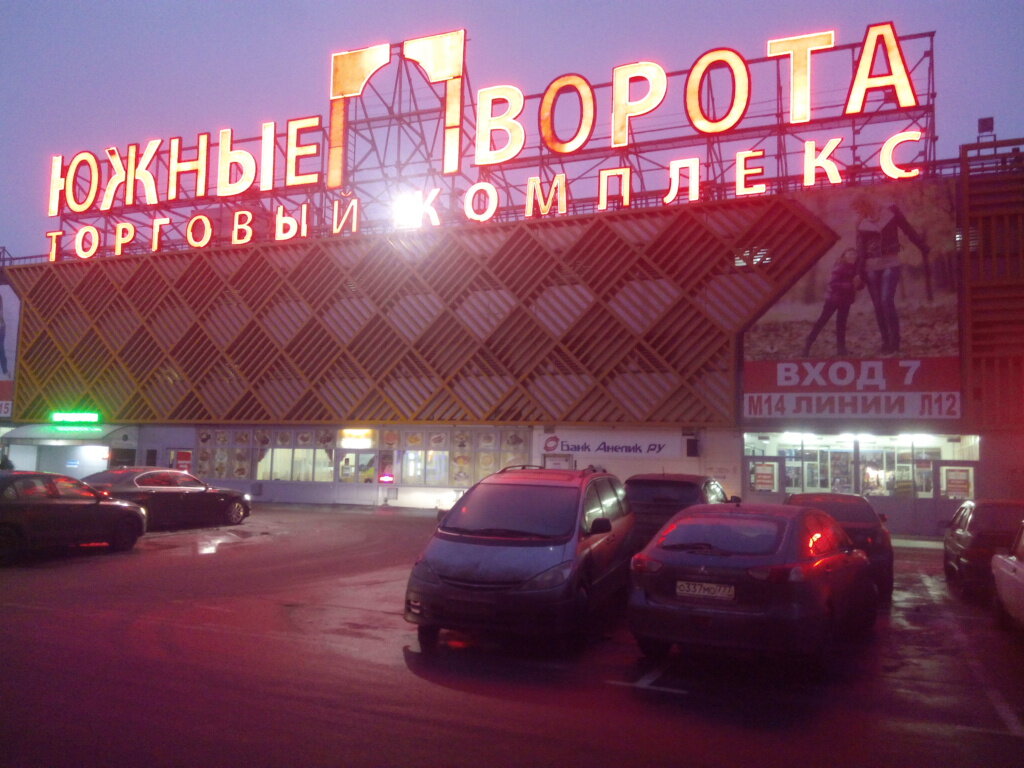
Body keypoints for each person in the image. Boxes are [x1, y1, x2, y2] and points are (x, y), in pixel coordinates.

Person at [853, 195, 929, 354]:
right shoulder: (860, 222)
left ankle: (895, 342)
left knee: (886, 300)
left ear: (866, 204)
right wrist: (859, 273)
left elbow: (907, 228)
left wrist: (921, 245)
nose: (859, 212)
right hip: (871, 266)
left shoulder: (891, 211)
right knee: (878, 305)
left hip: (891, 261)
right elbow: (860, 250)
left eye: (859, 208)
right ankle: (885, 342)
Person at [803, 248, 859, 357]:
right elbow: (833, 284)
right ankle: (808, 345)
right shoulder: (840, 266)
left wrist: (859, 284)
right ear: (844, 256)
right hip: (833, 300)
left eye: (854, 255)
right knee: (822, 322)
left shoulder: (855, 269)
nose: (852, 256)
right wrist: (850, 285)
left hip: (846, 301)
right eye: (850, 254)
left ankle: (841, 350)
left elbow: (857, 286)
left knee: (841, 325)